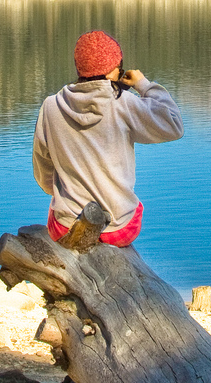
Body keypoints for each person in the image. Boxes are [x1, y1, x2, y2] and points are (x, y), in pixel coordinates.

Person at [32, 30, 183, 247]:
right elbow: (174, 124)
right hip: (118, 229)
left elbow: (43, 169)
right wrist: (144, 85)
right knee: (135, 206)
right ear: (114, 71)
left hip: (66, 227)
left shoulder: (51, 106)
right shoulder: (124, 103)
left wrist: (58, 190)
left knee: (56, 204)